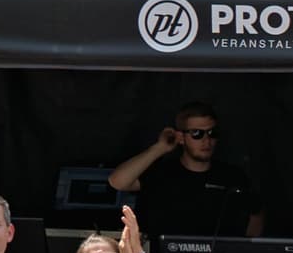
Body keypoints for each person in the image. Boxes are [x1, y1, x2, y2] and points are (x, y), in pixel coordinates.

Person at [106, 101, 264, 238]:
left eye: (212, 133)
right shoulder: (162, 172)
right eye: (197, 133)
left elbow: (254, 223)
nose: (206, 140)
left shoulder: (231, 176)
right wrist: (160, 148)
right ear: (181, 137)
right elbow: (117, 182)